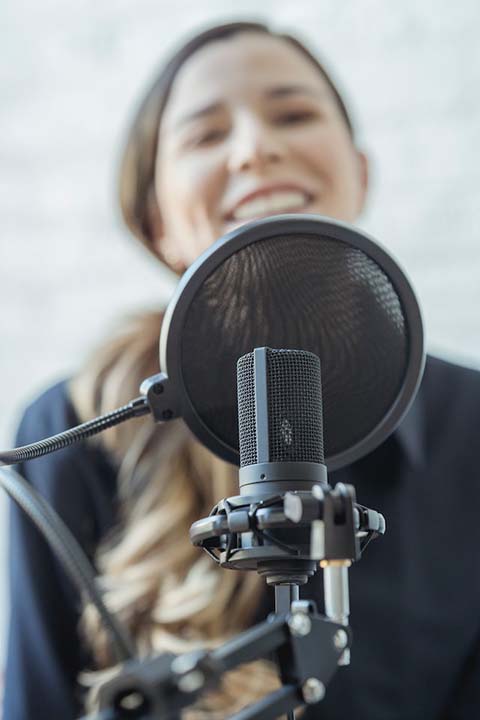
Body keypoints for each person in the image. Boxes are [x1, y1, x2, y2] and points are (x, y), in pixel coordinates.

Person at [4, 19, 480, 720]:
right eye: (205, 135)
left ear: (362, 170)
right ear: (156, 218)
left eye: (294, 113)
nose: (256, 149)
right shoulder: (69, 429)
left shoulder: (472, 423)